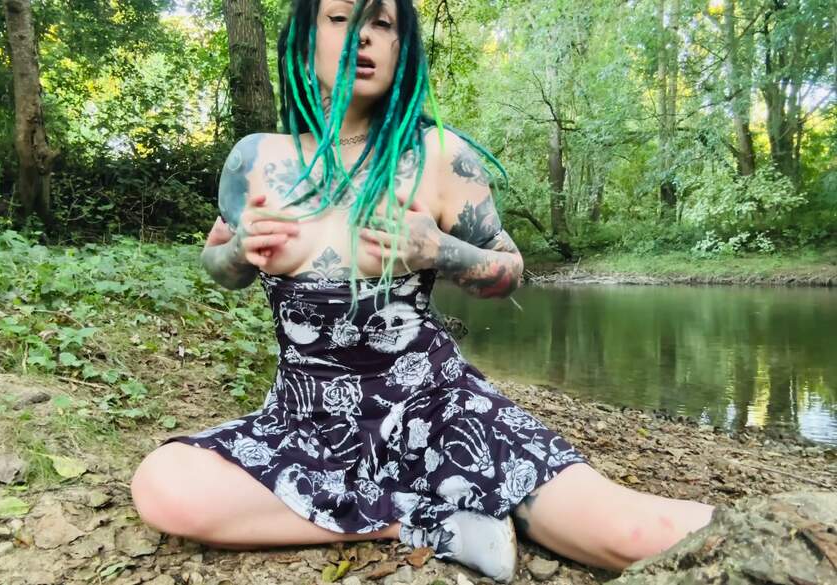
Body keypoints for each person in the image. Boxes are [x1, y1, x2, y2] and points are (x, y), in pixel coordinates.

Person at [130, 1, 714, 582]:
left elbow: (510, 271)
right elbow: (222, 267)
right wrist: (237, 252)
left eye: (381, 23)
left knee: (636, 534)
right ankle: (426, 521)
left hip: (441, 413)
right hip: (305, 423)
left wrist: (439, 250)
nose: (362, 36)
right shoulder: (255, 159)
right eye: (340, 18)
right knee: (165, 487)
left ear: (400, 48)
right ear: (304, 38)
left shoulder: (440, 156)